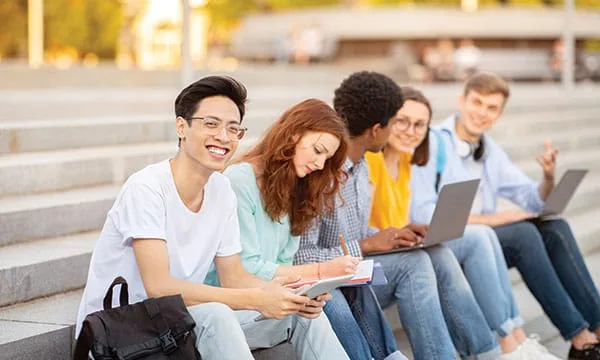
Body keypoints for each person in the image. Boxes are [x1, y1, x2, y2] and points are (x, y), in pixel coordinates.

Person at [75, 76, 348, 360]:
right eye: (211, 124)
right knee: (217, 314)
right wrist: (256, 299)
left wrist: (288, 296)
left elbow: (234, 276)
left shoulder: (222, 191)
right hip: (124, 332)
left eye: (233, 129)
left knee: (300, 315)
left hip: (179, 322)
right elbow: (159, 287)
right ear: (182, 126)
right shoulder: (147, 187)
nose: (223, 137)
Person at [296, 71, 505, 360]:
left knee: (428, 255)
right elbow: (301, 256)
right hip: (325, 281)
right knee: (416, 264)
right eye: (397, 121)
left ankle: (487, 354)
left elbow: (353, 232)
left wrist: (393, 234)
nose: (401, 129)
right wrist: (367, 245)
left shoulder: (359, 168)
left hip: (352, 271)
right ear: (377, 129)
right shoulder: (321, 171)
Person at [411, 71, 600, 360]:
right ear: (462, 101)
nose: (482, 113)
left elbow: (531, 197)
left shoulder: (489, 150)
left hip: (489, 242)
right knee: (522, 234)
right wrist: (493, 219)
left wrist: (548, 177)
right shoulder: (434, 142)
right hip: (454, 242)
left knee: (555, 227)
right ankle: (579, 337)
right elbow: (424, 214)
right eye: (478, 103)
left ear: (499, 114)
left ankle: (597, 327)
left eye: (492, 108)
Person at [204, 98, 406, 360]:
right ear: (294, 134)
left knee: (319, 305)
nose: (321, 165)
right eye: (318, 150)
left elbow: (284, 262)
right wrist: (322, 270)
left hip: (267, 299)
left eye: (327, 157)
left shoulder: (293, 186)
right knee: (312, 313)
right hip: (232, 305)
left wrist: (309, 286)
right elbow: (244, 269)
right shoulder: (239, 180)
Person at [367, 85, 559, 359]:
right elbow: (363, 231)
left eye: (419, 124)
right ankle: (506, 346)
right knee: (473, 239)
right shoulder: (372, 162)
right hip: (380, 260)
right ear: (386, 121)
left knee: (478, 238)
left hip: (403, 247)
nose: (411, 131)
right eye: (403, 122)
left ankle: (509, 343)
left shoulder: (408, 161)